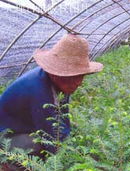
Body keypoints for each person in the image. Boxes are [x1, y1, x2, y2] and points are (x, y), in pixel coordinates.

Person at [0, 34, 103, 164]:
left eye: (80, 75)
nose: (78, 82)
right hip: (4, 135)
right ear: (56, 74)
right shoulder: (38, 91)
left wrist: (71, 139)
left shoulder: (62, 83)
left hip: (23, 125)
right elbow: (52, 137)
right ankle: (8, 163)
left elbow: (61, 116)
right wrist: (74, 161)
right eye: (72, 76)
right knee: (35, 146)